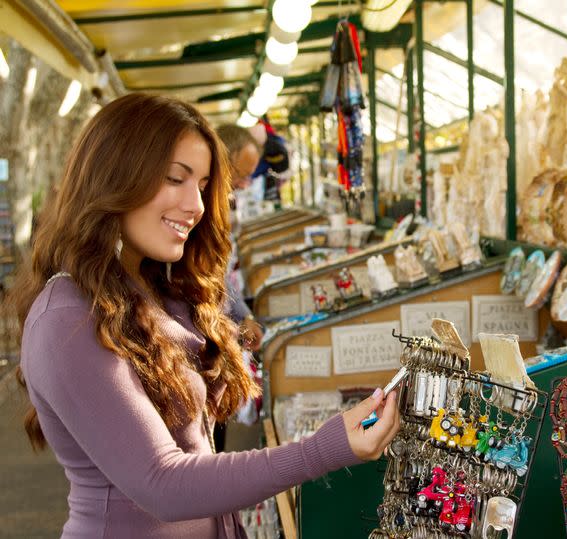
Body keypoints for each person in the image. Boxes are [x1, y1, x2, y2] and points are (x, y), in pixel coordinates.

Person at [12, 93, 400, 538]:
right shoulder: (67, 316)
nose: (196, 205)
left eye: (202, 185)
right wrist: (324, 448)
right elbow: (163, 483)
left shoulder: (158, 287)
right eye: (176, 179)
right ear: (114, 177)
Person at [213, 123, 264, 451]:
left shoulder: (219, 206)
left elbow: (216, 275)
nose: (245, 184)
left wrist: (242, 315)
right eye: (241, 174)